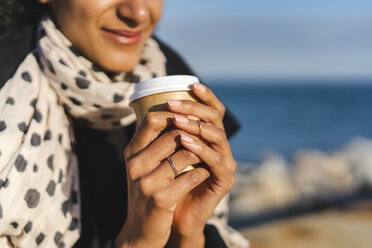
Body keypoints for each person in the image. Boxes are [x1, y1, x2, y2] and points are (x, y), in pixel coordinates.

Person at [0, 0, 249, 247]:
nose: (139, 13)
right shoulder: (8, 90)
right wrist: (137, 242)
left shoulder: (170, 78)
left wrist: (186, 234)